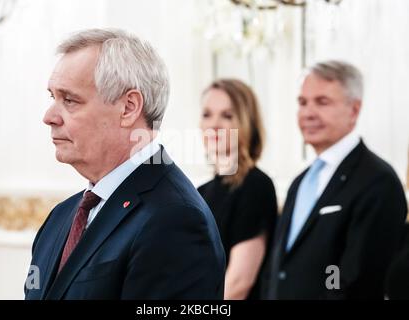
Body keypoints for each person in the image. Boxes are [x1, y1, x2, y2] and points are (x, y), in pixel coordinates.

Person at [24, 28, 225, 300]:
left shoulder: (176, 218)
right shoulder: (61, 216)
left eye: (69, 100)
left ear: (129, 107)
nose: (49, 117)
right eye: (53, 98)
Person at [261, 60, 408, 299]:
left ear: (354, 110)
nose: (308, 112)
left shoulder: (378, 181)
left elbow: (355, 277)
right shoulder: (300, 182)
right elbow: (278, 266)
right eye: (302, 102)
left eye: (322, 102)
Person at [197, 79, 277, 299]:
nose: (214, 124)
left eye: (227, 115)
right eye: (207, 114)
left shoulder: (256, 185)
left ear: (246, 123)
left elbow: (239, 284)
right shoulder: (200, 192)